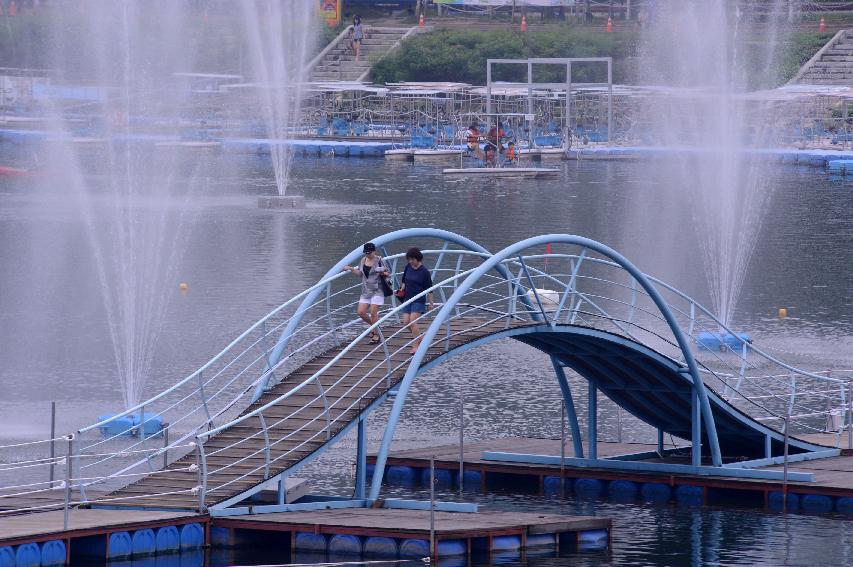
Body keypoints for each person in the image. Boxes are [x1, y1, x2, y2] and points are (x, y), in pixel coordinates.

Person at [343, 242, 390, 344]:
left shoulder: (380, 260)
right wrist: (351, 269)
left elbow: (387, 273)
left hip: (378, 290)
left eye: (369, 253)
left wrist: (382, 272)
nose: (368, 255)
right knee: (361, 312)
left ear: (374, 251)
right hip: (366, 291)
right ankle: (374, 328)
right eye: (366, 253)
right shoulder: (363, 260)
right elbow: (360, 274)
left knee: (373, 312)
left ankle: (376, 334)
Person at [398, 247, 434, 355]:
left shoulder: (424, 272)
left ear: (418, 258)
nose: (410, 261)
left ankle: (416, 345)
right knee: (406, 322)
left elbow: (430, 289)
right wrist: (402, 288)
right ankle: (421, 338)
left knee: (413, 322)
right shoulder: (408, 267)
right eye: (409, 259)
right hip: (407, 298)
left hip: (418, 299)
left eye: (412, 259)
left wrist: (431, 303)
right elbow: (404, 280)